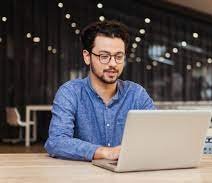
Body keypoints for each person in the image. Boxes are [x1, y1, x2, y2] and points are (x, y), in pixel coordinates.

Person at [44, 20, 155, 161]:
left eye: (119, 56)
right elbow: (56, 142)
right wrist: (105, 153)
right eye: (104, 56)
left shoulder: (136, 94)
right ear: (87, 57)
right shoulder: (70, 93)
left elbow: (155, 137)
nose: (113, 63)